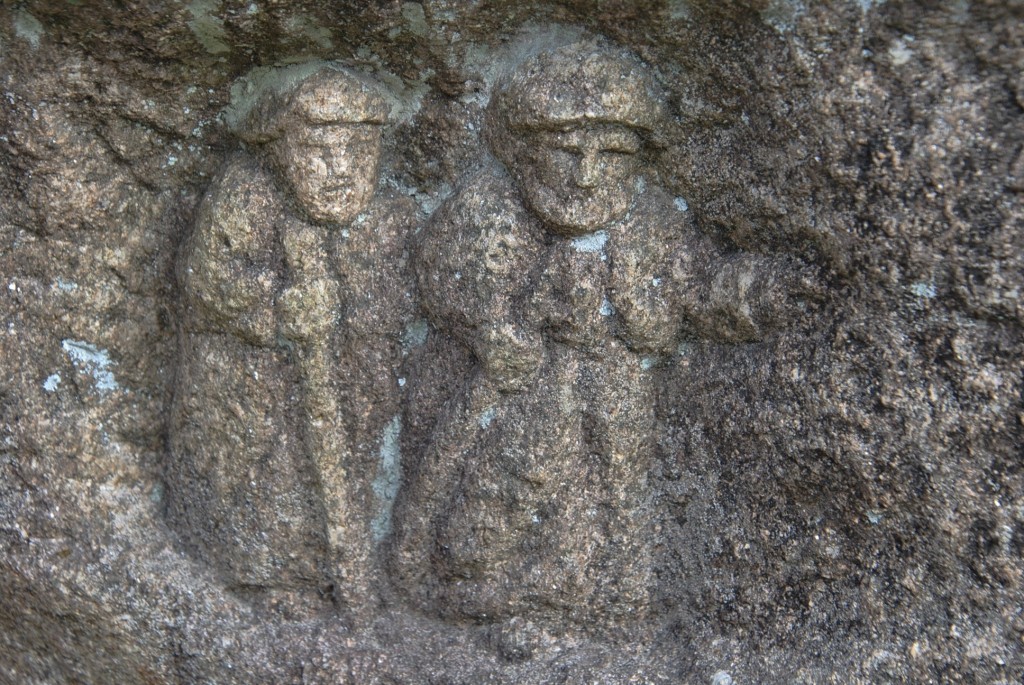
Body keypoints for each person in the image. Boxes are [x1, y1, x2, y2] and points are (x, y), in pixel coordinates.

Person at [389, 40, 801, 640]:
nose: (586, 175)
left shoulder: (651, 218)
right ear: (524, 153)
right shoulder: (488, 208)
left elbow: (696, 284)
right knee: (506, 486)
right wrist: (494, 328)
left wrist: (757, 292)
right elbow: (443, 273)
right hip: (516, 392)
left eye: (609, 154)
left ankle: (586, 604)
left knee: (606, 495)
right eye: (564, 152)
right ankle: (476, 588)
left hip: (614, 390)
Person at [167, 64, 414, 620]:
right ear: (280, 148)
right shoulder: (245, 191)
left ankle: (352, 572)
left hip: (352, 388)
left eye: (358, 150)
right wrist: (275, 305)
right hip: (253, 390)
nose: (340, 169)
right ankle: (266, 578)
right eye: (320, 150)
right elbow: (204, 280)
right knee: (267, 482)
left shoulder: (391, 214)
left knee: (356, 476)